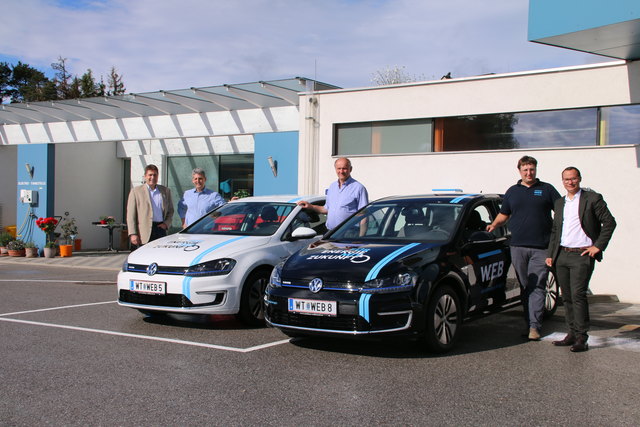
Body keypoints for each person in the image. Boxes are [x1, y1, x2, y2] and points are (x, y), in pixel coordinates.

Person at [486, 156, 561, 341]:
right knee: (525, 286)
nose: (529, 173)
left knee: (537, 286)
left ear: (536, 170)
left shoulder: (547, 189)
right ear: (519, 171)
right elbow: (504, 215)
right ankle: (529, 323)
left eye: (532, 169)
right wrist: (493, 225)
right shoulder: (512, 191)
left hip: (541, 248)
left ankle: (534, 327)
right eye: (525, 170)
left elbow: (561, 211)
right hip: (517, 247)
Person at [545, 167, 616, 352]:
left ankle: (582, 338)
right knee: (566, 297)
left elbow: (609, 222)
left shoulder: (592, 199)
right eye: (567, 179)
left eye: (573, 179)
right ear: (563, 181)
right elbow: (555, 231)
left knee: (578, 296)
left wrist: (597, 246)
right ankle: (572, 333)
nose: (570, 182)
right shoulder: (560, 203)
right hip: (562, 255)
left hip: (581, 255)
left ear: (579, 179)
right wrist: (550, 255)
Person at [297, 157, 369, 230]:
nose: (341, 171)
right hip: (330, 232)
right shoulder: (332, 187)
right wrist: (311, 207)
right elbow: (326, 209)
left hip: (349, 233)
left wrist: (360, 238)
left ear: (350, 169)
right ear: (335, 169)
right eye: (339, 168)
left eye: (344, 168)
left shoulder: (359, 188)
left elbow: (363, 215)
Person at [126, 164, 174, 248]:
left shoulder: (165, 191)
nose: (152, 177)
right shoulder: (136, 191)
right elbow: (131, 215)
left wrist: (166, 224)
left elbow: (170, 210)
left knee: (160, 257)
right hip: (143, 232)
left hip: (160, 229)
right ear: (145, 176)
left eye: (155, 175)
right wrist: (133, 233)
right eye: (150, 175)